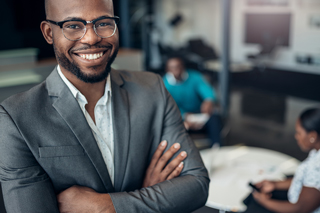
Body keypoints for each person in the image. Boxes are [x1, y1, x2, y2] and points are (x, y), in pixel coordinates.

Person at [0, 0, 209, 212]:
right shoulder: (15, 118)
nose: (91, 38)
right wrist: (151, 198)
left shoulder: (152, 89)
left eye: (103, 23)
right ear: (48, 32)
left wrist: (108, 206)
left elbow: (196, 184)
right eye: (73, 25)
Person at [244, 108, 320, 213]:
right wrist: (275, 184)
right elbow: (306, 180)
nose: (296, 136)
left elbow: (300, 209)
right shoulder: (316, 151)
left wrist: (264, 201)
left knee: (253, 205)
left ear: (312, 136)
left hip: (297, 207)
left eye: (299, 133)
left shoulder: (317, 168)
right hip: (297, 196)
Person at [163, 56, 221, 147]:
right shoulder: (164, 84)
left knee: (214, 117)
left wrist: (209, 100)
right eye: (172, 67)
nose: (176, 69)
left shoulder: (194, 77)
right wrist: (184, 116)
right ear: (167, 69)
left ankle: (216, 147)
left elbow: (206, 90)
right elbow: (168, 107)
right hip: (179, 115)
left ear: (183, 67)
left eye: (178, 66)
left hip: (198, 111)